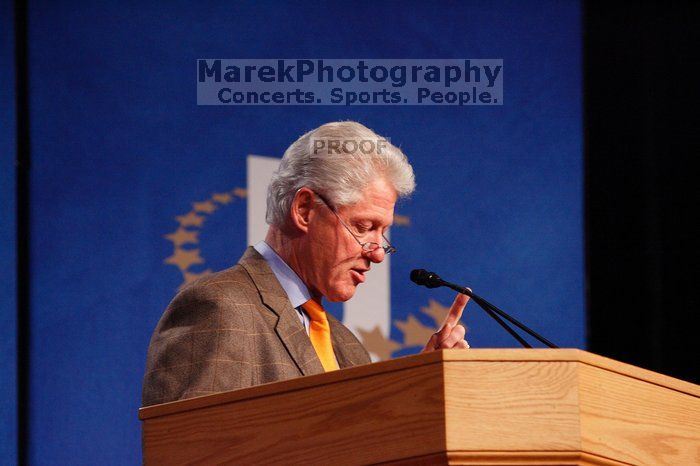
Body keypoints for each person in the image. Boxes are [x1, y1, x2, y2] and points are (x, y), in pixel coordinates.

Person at [142, 121, 470, 407]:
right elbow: (186, 450)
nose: (378, 254)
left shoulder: (347, 348)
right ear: (304, 210)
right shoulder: (220, 307)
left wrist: (417, 390)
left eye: (382, 234)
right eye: (363, 227)